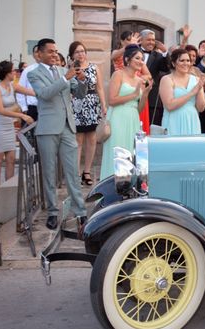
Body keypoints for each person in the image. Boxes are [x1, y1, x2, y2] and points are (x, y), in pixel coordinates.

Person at [27, 38, 87, 230]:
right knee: (50, 172)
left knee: (72, 172)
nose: (54, 54)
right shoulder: (34, 74)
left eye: (56, 51)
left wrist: (81, 80)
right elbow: (44, 94)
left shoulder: (63, 71)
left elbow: (79, 94)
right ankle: (52, 212)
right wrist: (66, 78)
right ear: (40, 54)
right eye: (50, 51)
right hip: (47, 129)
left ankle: (80, 212)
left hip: (68, 127)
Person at [100, 45, 151, 179]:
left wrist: (144, 94)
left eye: (142, 59)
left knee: (130, 153)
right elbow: (111, 100)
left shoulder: (140, 80)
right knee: (118, 152)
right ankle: (111, 183)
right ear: (128, 59)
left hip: (133, 118)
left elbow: (138, 109)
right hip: (118, 117)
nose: (141, 62)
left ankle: (127, 187)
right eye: (137, 58)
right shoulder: (118, 75)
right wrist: (134, 94)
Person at [68, 41, 106, 186]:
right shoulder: (70, 69)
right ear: (72, 55)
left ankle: (87, 172)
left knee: (91, 139)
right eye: (77, 52)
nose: (81, 54)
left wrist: (103, 105)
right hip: (76, 105)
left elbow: (100, 88)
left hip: (92, 104)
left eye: (83, 51)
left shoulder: (94, 67)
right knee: (78, 140)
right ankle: (76, 173)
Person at [0, 61, 34, 194]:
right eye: (13, 71)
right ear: (7, 73)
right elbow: (0, 110)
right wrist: (21, 115)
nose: (16, 73)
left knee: (11, 159)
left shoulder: (13, 86)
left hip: (9, 126)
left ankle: (8, 193)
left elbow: (32, 92)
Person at [112, 31, 152, 134]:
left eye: (132, 40)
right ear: (122, 41)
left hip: (135, 98)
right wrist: (129, 46)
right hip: (120, 89)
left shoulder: (138, 59)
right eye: (128, 40)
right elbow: (113, 57)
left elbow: (148, 75)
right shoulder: (118, 53)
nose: (131, 42)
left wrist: (136, 79)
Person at [160, 48, 205, 136]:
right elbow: (169, 105)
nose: (186, 63)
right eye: (182, 60)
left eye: (188, 60)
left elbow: (201, 108)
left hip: (192, 120)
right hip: (173, 120)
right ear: (173, 63)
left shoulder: (195, 79)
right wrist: (192, 92)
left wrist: (200, 89)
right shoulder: (167, 79)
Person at [140, 29, 170, 126]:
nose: (151, 42)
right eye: (148, 40)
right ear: (141, 40)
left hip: (152, 98)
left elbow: (166, 68)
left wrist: (165, 52)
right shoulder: (134, 53)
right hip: (134, 95)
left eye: (153, 40)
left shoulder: (158, 56)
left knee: (151, 126)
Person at [16, 45, 40, 121]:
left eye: (40, 51)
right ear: (33, 55)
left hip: (48, 108)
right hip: (32, 108)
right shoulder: (28, 70)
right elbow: (20, 90)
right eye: (36, 52)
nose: (39, 53)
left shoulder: (51, 69)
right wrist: (24, 107)